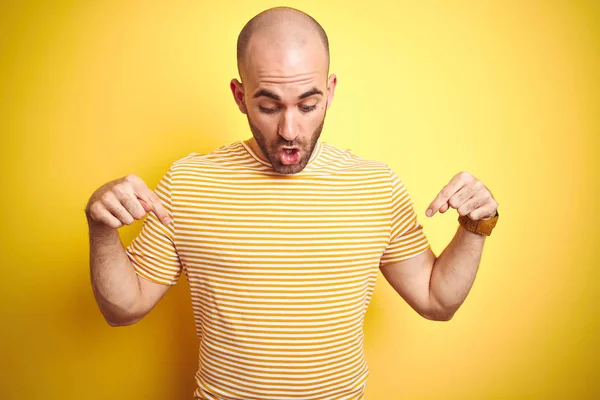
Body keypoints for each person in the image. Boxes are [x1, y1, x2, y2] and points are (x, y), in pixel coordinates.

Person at [85, 6, 499, 400]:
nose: (289, 130)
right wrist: (102, 229)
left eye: (307, 104)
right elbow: (124, 308)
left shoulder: (375, 185)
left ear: (331, 91)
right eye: (268, 106)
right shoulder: (188, 182)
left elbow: (436, 300)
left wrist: (475, 226)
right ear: (239, 95)